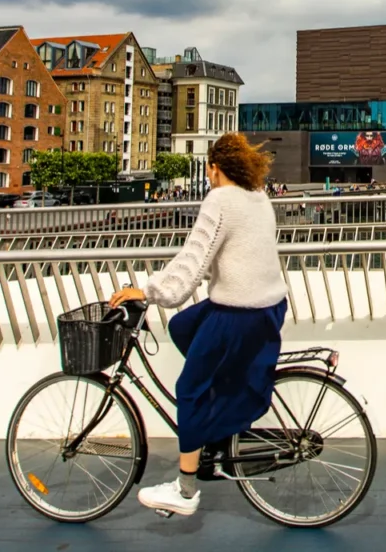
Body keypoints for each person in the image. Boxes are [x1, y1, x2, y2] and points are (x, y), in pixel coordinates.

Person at [108, 133, 289, 517]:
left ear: (215, 167)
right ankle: (218, 426)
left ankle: (185, 489)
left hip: (238, 313)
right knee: (183, 326)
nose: (208, 175)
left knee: (189, 389)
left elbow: (192, 262)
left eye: (209, 169)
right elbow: (220, 257)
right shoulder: (258, 197)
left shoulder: (220, 200)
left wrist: (148, 291)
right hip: (269, 307)